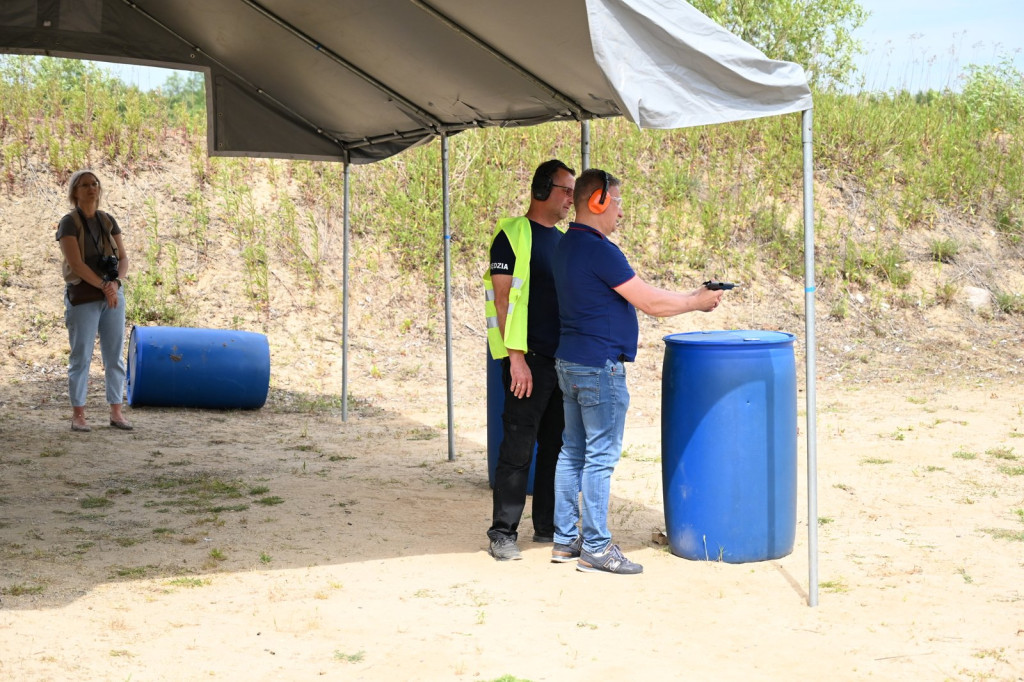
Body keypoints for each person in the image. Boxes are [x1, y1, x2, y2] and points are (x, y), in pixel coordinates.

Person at [551, 168, 724, 574]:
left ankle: (564, 541)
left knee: (572, 452)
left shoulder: (566, 246)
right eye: (617, 201)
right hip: (597, 368)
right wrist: (695, 301)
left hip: (570, 362)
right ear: (598, 201)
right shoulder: (599, 250)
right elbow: (651, 302)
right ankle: (595, 546)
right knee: (598, 458)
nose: (621, 212)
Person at [484, 159, 576, 561]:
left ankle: (546, 527)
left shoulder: (564, 240)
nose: (572, 199)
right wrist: (515, 359)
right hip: (527, 360)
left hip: (561, 363)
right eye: (566, 190)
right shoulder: (511, 235)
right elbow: (502, 300)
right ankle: (503, 533)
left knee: (556, 448)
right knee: (518, 449)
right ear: (543, 190)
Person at [56, 170, 132, 432]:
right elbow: (75, 263)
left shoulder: (107, 220)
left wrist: (115, 283)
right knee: (82, 355)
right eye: (85, 185)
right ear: (75, 192)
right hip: (85, 295)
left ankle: (116, 411)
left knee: (115, 354)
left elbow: (123, 258)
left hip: (111, 293)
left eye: (95, 184)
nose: (91, 188)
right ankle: (79, 414)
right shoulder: (69, 222)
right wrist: (103, 286)